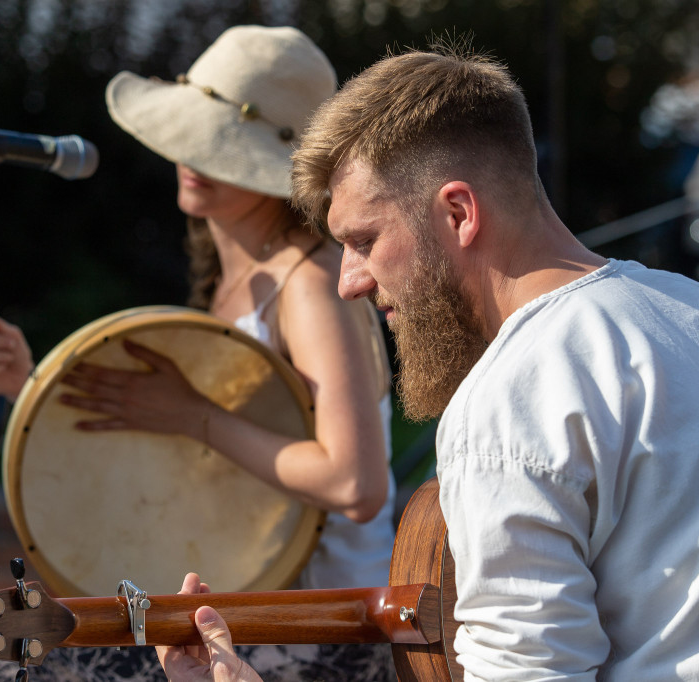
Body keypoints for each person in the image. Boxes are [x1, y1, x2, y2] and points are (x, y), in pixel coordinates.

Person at [157, 43, 699, 682]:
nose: (349, 282)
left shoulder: (512, 397)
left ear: (459, 212)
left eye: (364, 241)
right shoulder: (682, 305)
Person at [0, 25, 397, 682]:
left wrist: (192, 414)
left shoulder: (306, 282)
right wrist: (31, 384)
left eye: (220, 144)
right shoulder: (239, 277)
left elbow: (354, 485)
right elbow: (201, 453)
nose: (191, 156)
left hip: (316, 629)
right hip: (236, 615)